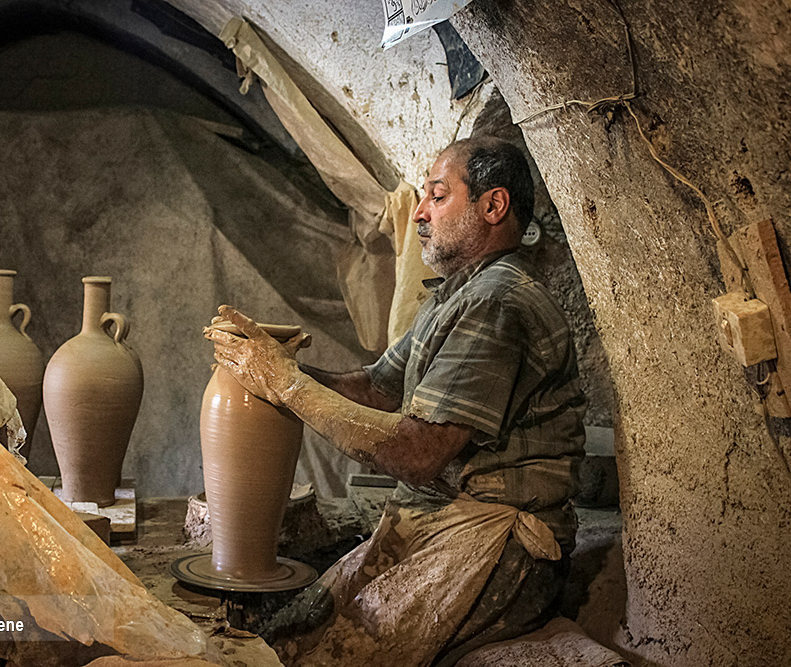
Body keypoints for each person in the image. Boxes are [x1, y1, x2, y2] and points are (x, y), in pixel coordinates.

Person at [205, 136, 586, 666]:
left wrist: (286, 385)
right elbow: (376, 389)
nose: (421, 214)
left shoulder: (499, 301)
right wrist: (278, 365)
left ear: (493, 206)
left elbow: (419, 453)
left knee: (332, 660)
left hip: (500, 537)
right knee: (287, 639)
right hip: (443, 517)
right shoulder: (456, 294)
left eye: (436, 196)